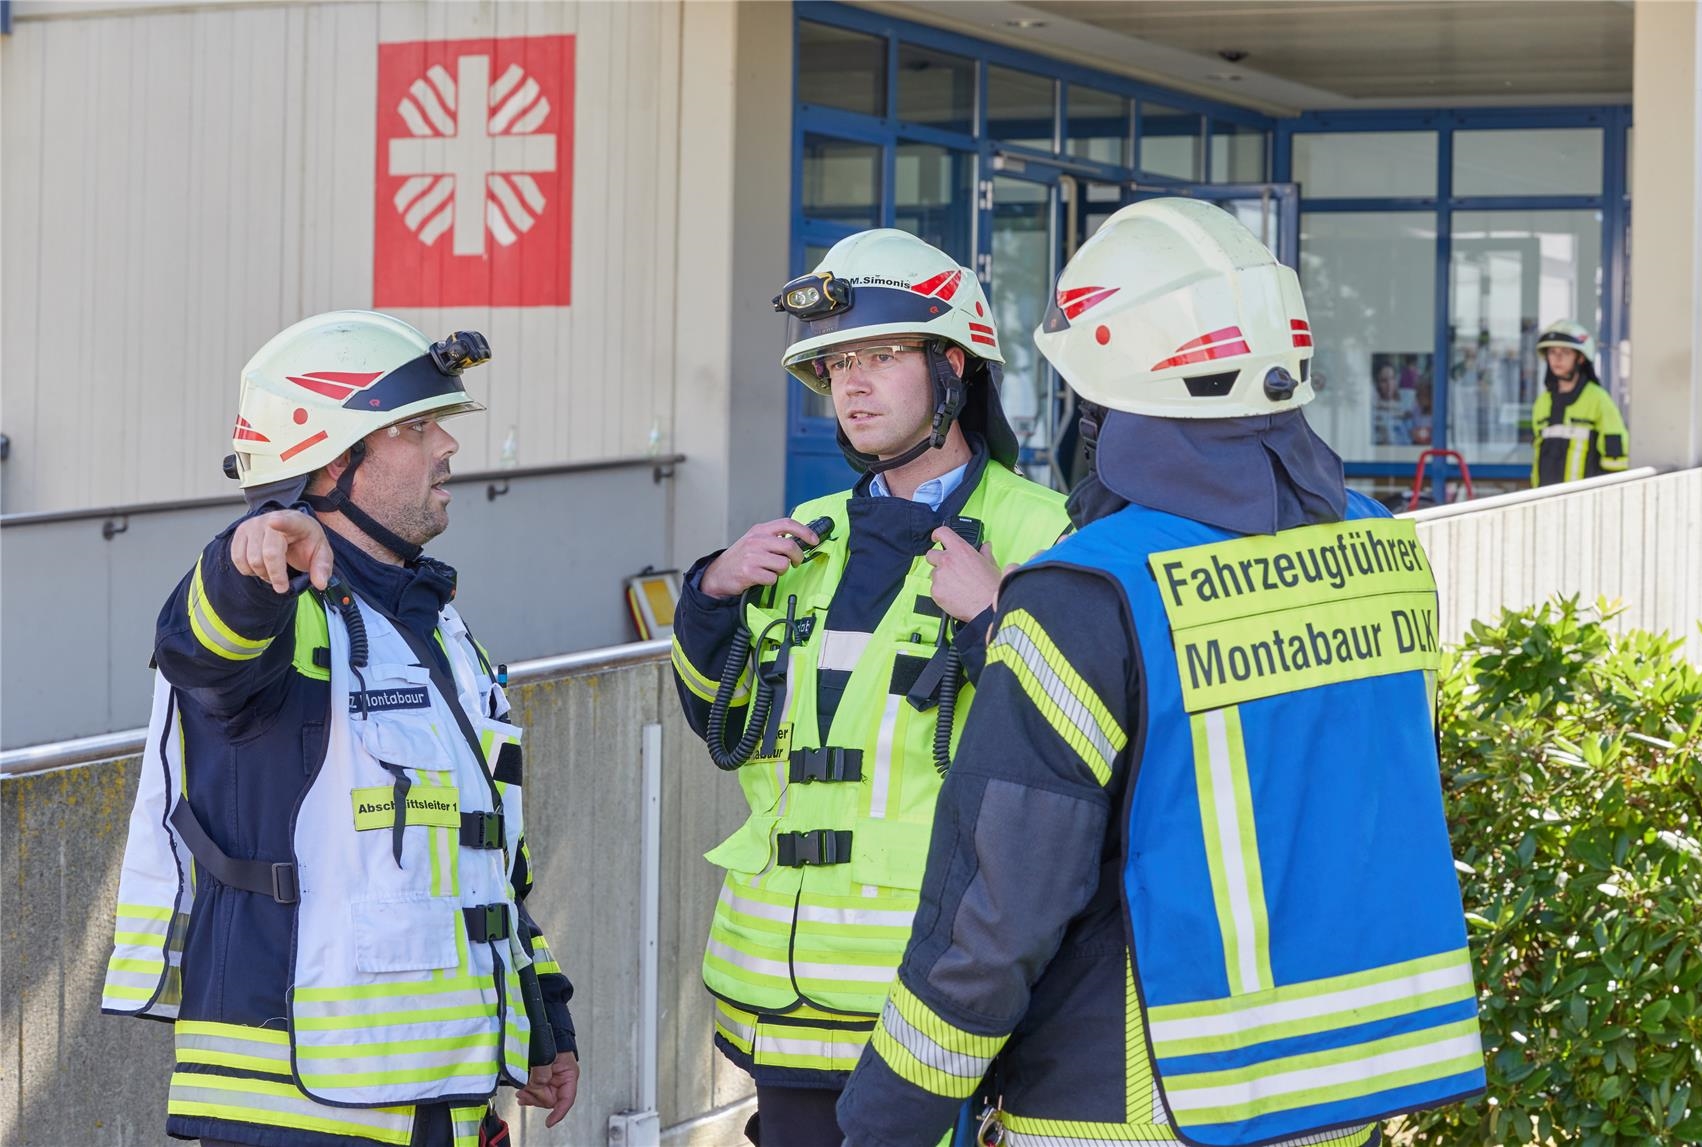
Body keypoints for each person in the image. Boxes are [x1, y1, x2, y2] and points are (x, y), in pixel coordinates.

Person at [836, 199, 1484, 1147]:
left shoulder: (1085, 594)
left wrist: (886, 1118)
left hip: (1124, 1108)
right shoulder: (1387, 551)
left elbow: (999, 912)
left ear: (1105, 396)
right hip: (1337, 1097)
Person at [101, 311, 580, 1147]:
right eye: (417, 427)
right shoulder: (278, 600)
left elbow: (485, 860)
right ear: (333, 460)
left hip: (440, 1096)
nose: (448, 448)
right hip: (296, 1111)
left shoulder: (432, 624)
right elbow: (200, 649)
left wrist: (544, 1021)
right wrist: (246, 562)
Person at [669, 230, 1069, 1147]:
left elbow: (1081, 753)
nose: (851, 383)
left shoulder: (1045, 532)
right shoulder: (801, 534)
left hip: (939, 1017)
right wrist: (710, 599)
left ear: (954, 367)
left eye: (882, 356)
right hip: (782, 1011)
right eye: (838, 363)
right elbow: (720, 722)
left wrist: (999, 619)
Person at [1530, 319, 1628, 486]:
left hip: (1585, 503)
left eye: (1565, 352)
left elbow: (1616, 456)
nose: (1557, 358)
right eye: (1552, 352)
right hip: (1545, 500)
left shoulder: (1598, 399)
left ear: (1581, 358)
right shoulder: (1542, 402)